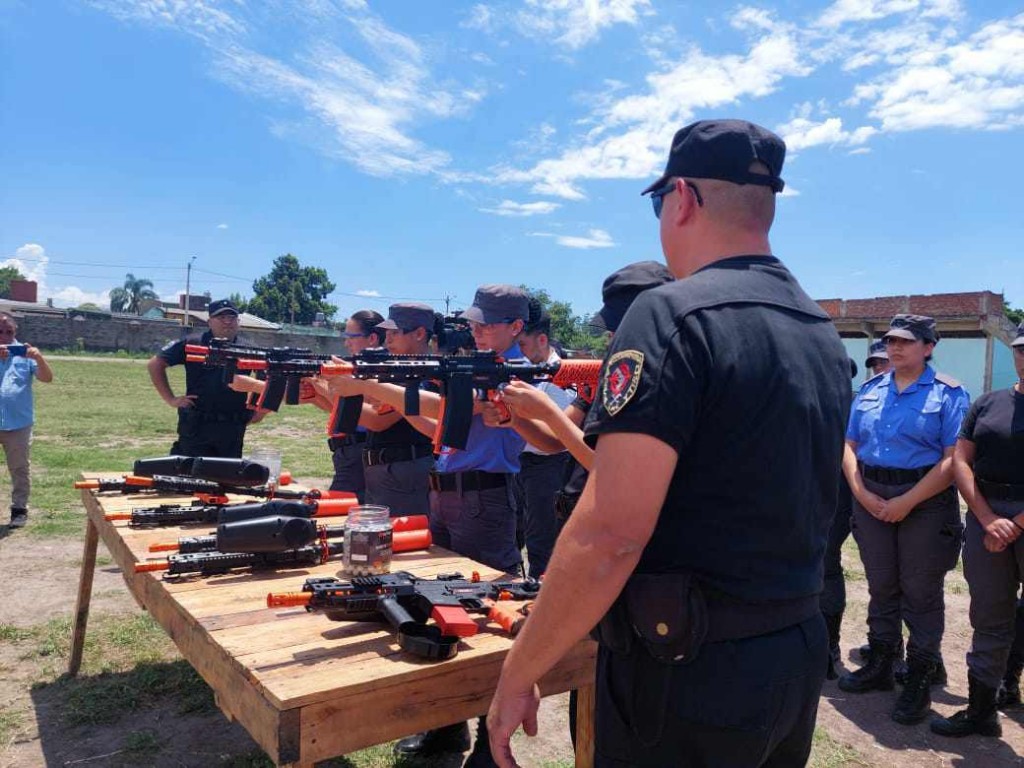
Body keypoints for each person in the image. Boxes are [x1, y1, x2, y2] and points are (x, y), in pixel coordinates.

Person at [487, 119, 851, 767]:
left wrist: (519, 671)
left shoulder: (673, 313)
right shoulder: (817, 328)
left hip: (687, 671)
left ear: (681, 198)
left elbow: (610, 531)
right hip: (792, 650)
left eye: (660, 204)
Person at [326, 285, 530, 766]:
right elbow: (438, 427)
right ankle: (447, 728)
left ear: (516, 327)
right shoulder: (477, 366)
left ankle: (489, 741)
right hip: (448, 493)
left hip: (484, 498)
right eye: (474, 323)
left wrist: (370, 386)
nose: (477, 331)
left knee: (491, 617)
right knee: (440, 602)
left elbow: (465, 414)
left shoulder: (516, 373)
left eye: (488, 324)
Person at [499, 260, 675, 748]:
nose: (614, 337)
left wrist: (547, 410)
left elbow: (607, 467)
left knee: (620, 696)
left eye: (620, 326)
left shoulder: (655, 376)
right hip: (585, 516)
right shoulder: (607, 376)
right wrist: (514, 418)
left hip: (638, 556)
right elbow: (558, 440)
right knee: (595, 681)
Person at [838, 314, 969, 725]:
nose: (894, 348)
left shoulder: (949, 393)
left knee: (920, 590)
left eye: (906, 342)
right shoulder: (872, 389)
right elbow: (849, 443)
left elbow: (953, 459)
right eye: (891, 341)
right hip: (872, 493)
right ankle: (881, 661)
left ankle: (919, 676)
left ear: (928, 347)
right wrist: (861, 491)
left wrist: (907, 501)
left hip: (924, 500)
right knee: (881, 583)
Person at [930, 322, 1024, 738]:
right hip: (988, 514)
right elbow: (962, 462)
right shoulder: (987, 403)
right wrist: (987, 518)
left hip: (1013, 519)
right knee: (989, 615)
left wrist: (1013, 524)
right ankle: (982, 709)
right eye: (1021, 350)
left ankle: (1009, 685)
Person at [148, 299, 261, 458]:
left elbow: (266, 378)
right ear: (209, 322)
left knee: (227, 476)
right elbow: (155, 364)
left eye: (232, 317)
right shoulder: (193, 342)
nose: (227, 322)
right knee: (189, 476)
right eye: (221, 317)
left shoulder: (249, 348)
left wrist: (258, 411)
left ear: (238, 321)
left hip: (232, 426)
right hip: (196, 424)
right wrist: (171, 399)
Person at [511, 299, 574, 578]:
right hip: (521, 467)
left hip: (548, 468)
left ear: (542, 340)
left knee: (542, 546)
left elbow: (554, 439)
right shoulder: (527, 370)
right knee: (517, 539)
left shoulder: (563, 376)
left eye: (522, 344)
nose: (519, 351)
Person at [362, 303, 438, 516]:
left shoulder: (428, 372)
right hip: (384, 469)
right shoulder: (397, 368)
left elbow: (379, 420)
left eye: (395, 333)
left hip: (405, 468)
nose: (388, 340)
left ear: (420, 334)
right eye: (387, 333)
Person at [0, 312, 53, 529]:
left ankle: (19, 509)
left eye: (9, 331)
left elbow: (47, 378)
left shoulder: (25, 353)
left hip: (18, 424)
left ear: (15, 332)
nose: (4, 336)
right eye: (0, 331)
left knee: (20, 468)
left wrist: (39, 358)